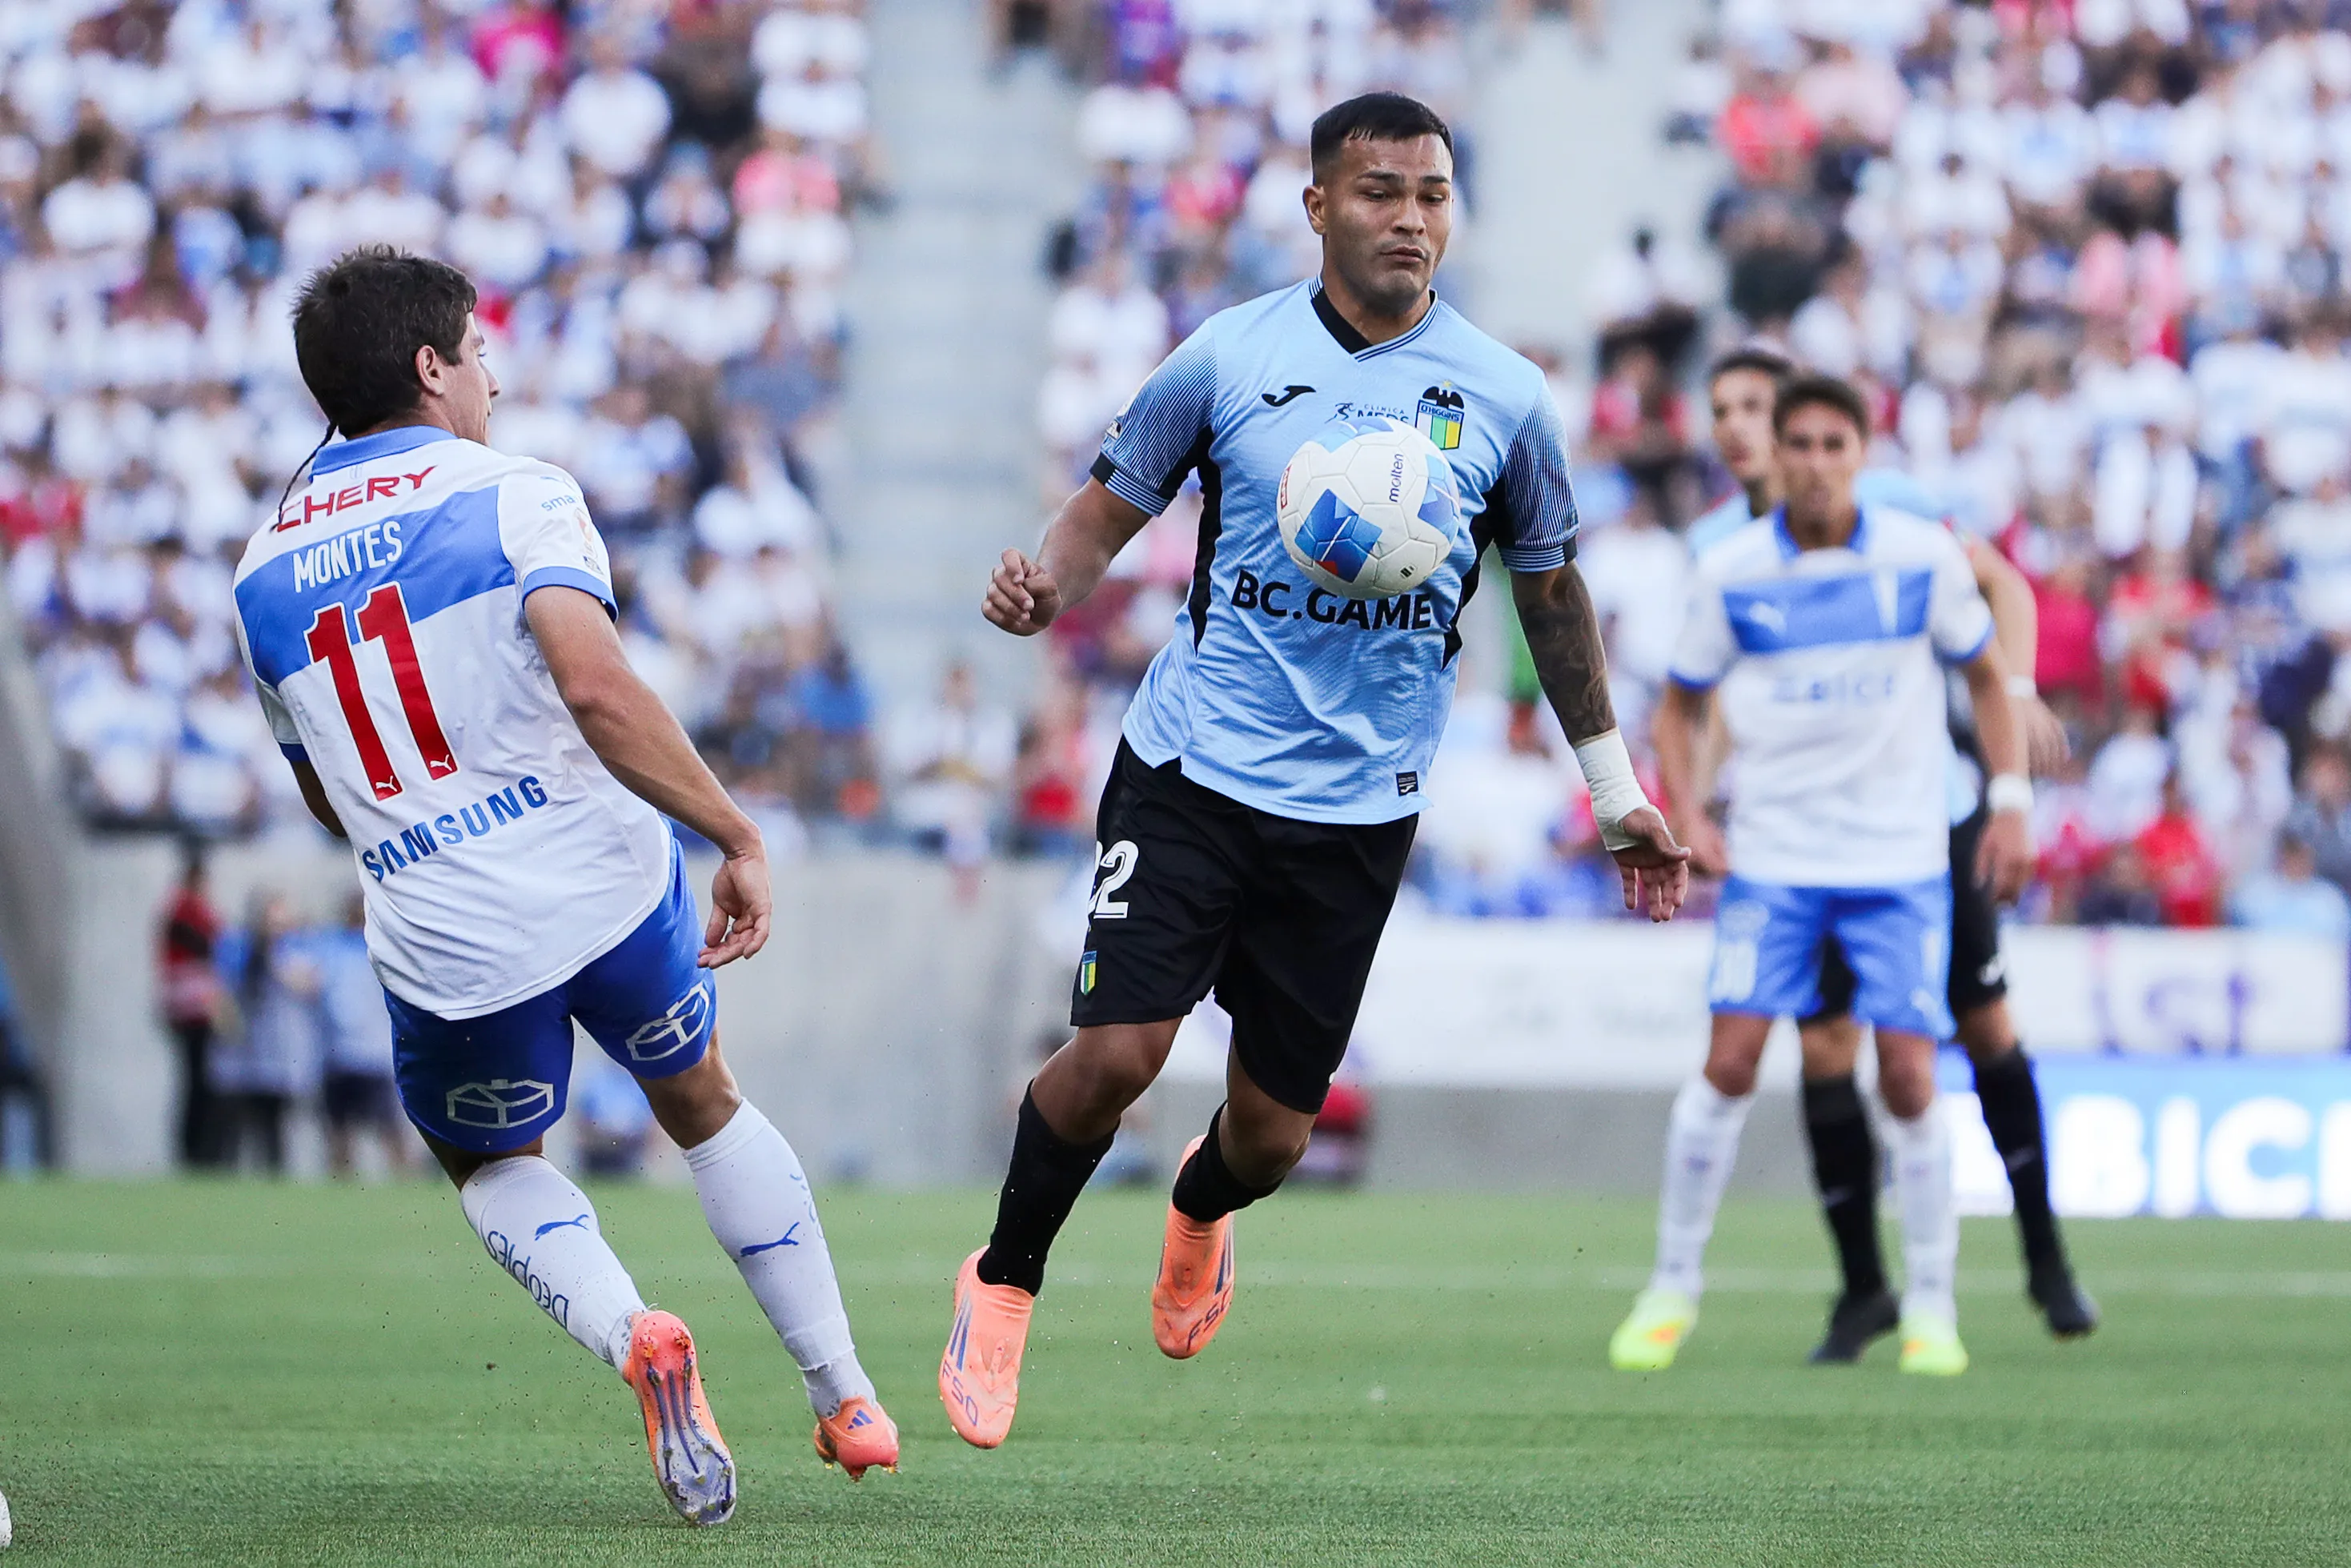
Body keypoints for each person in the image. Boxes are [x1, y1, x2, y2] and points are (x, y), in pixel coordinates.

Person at [941, 93, 1691, 1450]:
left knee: (1274, 1139)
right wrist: (1039, 585)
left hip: (1358, 807)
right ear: (1317, 207)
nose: (1409, 218)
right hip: (1194, 766)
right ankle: (1003, 1279)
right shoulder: (1225, 359)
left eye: (1432, 195)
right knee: (1115, 1049)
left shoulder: (1506, 396)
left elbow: (1552, 593)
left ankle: (1200, 1209)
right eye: (1380, 192)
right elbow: (1107, 506)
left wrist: (1611, 783)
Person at [231, 247, 894, 1527]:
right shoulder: (512, 492)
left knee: (490, 1166)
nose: (494, 373)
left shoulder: (259, 573)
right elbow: (595, 689)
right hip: (602, 885)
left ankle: (635, 1329)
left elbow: (324, 786)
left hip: (446, 934)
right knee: (702, 1103)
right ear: (430, 367)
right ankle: (844, 1390)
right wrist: (732, 828)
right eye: (478, 351)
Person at [1613, 373, 2033, 1378]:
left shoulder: (1919, 555)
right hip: (1780, 861)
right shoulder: (1735, 570)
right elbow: (1679, 706)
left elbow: (1983, 673)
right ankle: (1672, 1288)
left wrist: (2011, 798)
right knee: (1729, 1066)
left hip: (1898, 861)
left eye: (1831, 444)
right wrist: (1687, 811)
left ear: (1863, 452)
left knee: (1908, 1075)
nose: (1811, 461)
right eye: (1795, 443)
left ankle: (1933, 1303)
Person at [1686, 347, 2097, 1354]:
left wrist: (2020, 686)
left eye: (1755, 406)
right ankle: (1864, 1286)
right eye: (1724, 411)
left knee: (1980, 1024)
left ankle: (2044, 1255)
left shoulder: (1893, 502)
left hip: (1930, 817)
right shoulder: (1720, 549)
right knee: (1826, 1044)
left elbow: (2000, 585)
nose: (1739, 426)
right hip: (1808, 842)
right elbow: (1724, 696)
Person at [215, 889, 321, 1175]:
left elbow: (309, 984)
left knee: (274, 1126)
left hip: (279, 1055)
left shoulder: (291, 950)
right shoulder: (241, 948)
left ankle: (274, 1177)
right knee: (237, 1127)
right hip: (245, 1053)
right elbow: (225, 993)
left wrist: (274, 960)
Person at [316, 892, 415, 1177]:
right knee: (339, 1130)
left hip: (372, 1052)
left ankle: (407, 1182)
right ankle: (343, 1188)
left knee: (387, 1128)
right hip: (337, 1053)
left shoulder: (382, 946)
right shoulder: (331, 945)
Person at [158, 841, 228, 1168]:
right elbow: (208, 946)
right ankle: (195, 1152)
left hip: (196, 1006)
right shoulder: (184, 911)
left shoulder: (188, 909)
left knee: (201, 1079)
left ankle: (202, 1150)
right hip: (193, 1008)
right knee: (197, 1080)